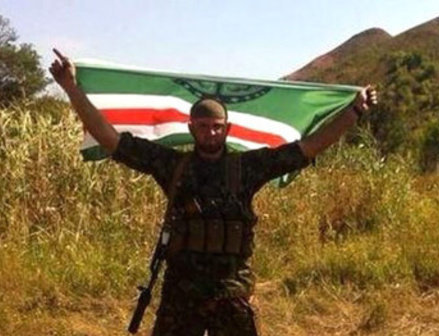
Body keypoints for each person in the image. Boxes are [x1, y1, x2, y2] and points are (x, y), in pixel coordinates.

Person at [49, 48, 377, 336]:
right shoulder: (171, 165)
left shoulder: (248, 167)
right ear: (191, 128)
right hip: (182, 293)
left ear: (227, 129)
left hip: (230, 293)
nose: (211, 133)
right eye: (203, 127)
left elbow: (307, 148)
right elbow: (110, 139)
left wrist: (353, 113)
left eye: (217, 127)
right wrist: (70, 87)